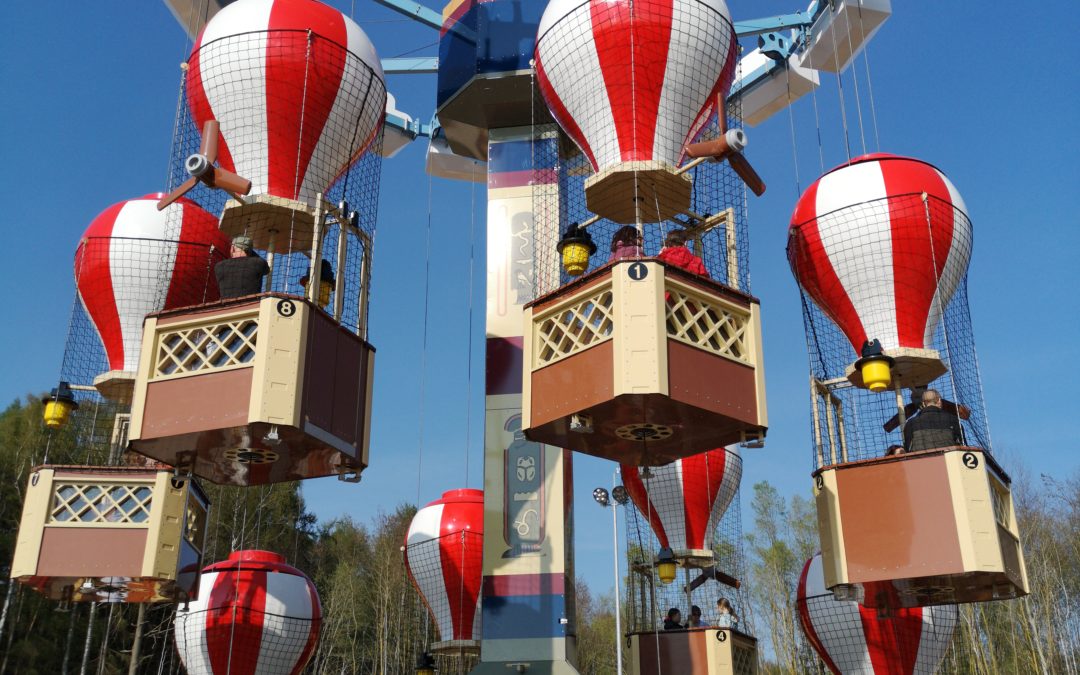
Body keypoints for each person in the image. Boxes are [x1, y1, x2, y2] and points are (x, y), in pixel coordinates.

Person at [903, 388, 965, 452]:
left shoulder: (911, 423)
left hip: (921, 460)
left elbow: (907, 448)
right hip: (948, 459)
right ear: (939, 401)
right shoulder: (953, 420)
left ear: (923, 404)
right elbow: (962, 445)